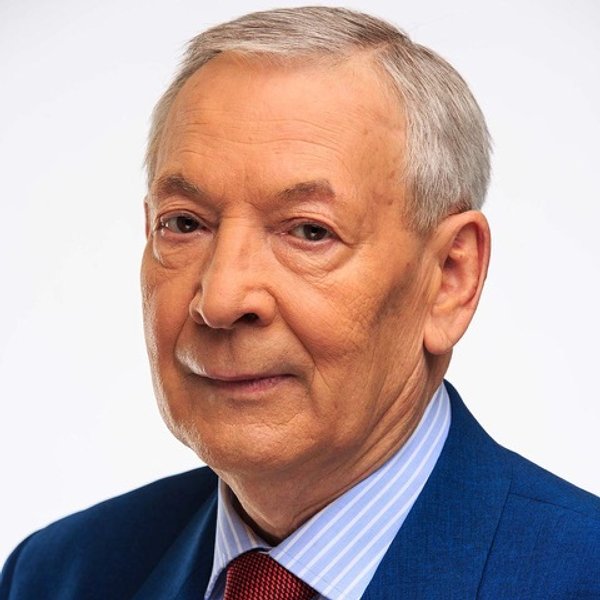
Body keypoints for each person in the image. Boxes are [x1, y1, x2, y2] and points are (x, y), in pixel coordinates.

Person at [1, 6, 598, 599]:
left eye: (309, 231)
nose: (221, 299)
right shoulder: (54, 578)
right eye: (184, 223)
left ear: (448, 277)